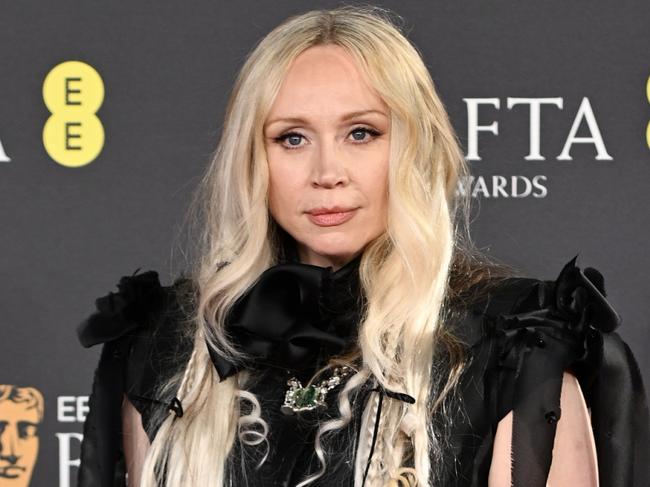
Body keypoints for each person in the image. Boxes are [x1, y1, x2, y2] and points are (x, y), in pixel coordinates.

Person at [75, 5, 650, 487]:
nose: (328, 171)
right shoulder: (172, 351)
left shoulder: (514, 352)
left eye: (361, 133)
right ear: (254, 159)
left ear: (416, 146)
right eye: (292, 138)